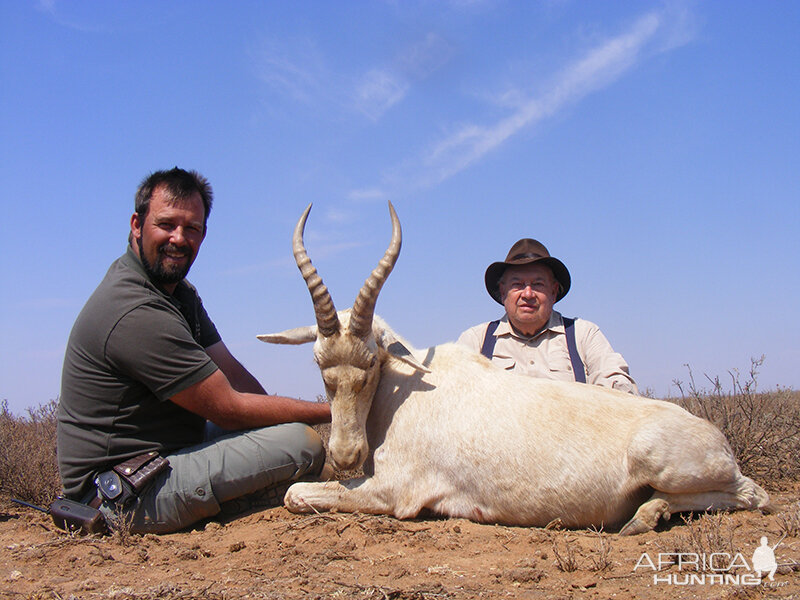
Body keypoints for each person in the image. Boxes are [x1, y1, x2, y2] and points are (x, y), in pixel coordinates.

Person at [57, 167, 331, 534]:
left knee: (284, 432)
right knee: (303, 444)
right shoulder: (134, 310)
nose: (179, 238)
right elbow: (229, 410)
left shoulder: (179, 294)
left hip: (165, 455)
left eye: (192, 229)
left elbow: (233, 375)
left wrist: (277, 423)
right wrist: (335, 412)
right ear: (137, 224)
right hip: (118, 494)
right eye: (166, 224)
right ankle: (248, 507)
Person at [457, 238, 638, 394]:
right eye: (518, 284)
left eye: (538, 284)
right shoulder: (475, 341)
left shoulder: (583, 334)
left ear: (553, 292)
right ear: (503, 292)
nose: (528, 294)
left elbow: (618, 385)